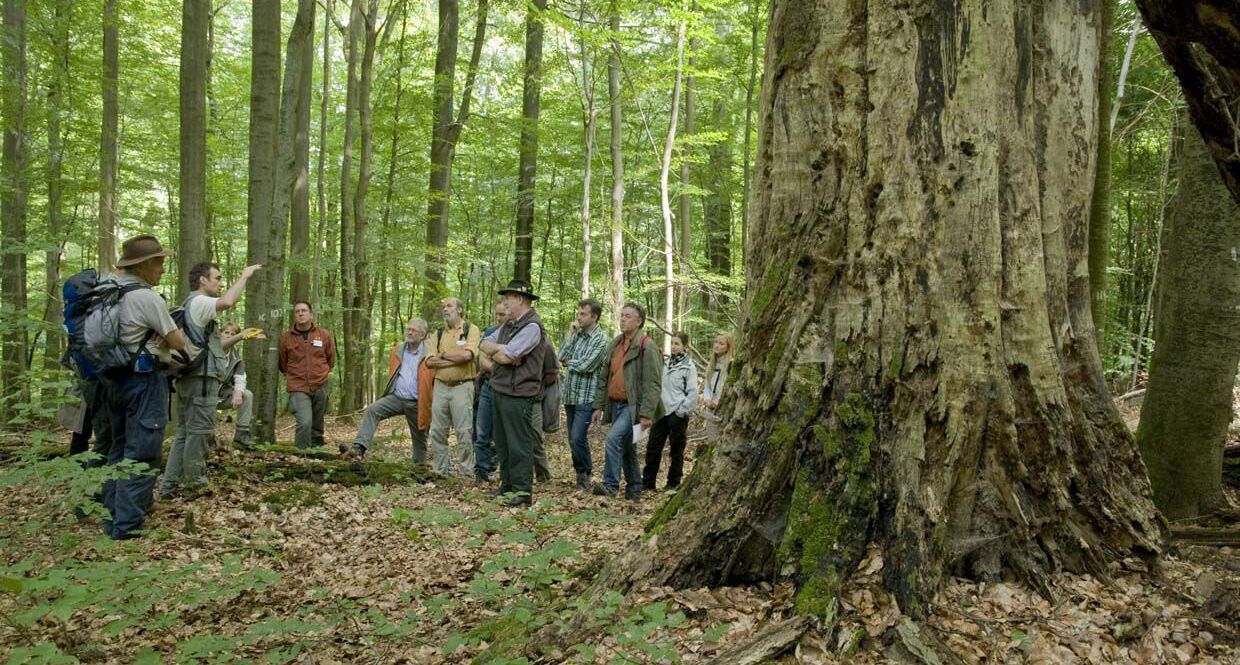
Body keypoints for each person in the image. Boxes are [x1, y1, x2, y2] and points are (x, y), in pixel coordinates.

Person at [100, 234, 187, 539]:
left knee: (118, 449)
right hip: (145, 380)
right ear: (146, 264)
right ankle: (128, 529)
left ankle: (111, 520)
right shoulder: (147, 297)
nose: (163, 268)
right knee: (143, 453)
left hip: (114, 380)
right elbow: (178, 341)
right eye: (160, 262)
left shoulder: (111, 292)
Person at [159, 262, 261, 499]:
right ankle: (195, 484)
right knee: (200, 432)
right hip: (201, 381)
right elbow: (227, 301)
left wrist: (239, 336)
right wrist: (244, 276)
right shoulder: (200, 302)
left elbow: (213, 346)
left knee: (184, 434)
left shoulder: (189, 304)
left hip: (187, 378)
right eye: (217, 278)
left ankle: (168, 487)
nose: (220, 282)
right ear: (203, 280)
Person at [479, 279, 547, 507]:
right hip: (500, 389)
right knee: (502, 443)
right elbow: (485, 344)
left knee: (519, 443)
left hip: (519, 394)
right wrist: (502, 352)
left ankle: (522, 491)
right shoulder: (509, 324)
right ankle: (507, 486)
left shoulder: (532, 327)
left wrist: (502, 354)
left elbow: (508, 356)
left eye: (508, 297)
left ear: (520, 299)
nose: (505, 302)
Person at [591, 303, 663, 501]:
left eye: (628, 316)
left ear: (639, 322)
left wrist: (647, 413)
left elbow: (653, 383)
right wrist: (598, 406)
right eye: (622, 315)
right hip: (615, 404)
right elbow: (604, 377)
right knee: (627, 448)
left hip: (633, 408)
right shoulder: (614, 344)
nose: (623, 319)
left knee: (613, 440)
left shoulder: (647, 346)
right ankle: (634, 490)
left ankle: (610, 486)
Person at [342, 318, 430, 461]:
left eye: (414, 330)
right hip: (397, 398)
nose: (409, 332)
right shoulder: (397, 350)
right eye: (408, 329)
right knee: (373, 409)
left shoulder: (429, 353)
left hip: (418, 402)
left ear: (423, 335)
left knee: (420, 439)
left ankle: (418, 469)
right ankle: (359, 448)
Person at [424, 297, 482, 478]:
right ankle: (441, 471)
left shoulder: (470, 330)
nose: (445, 309)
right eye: (443, 307)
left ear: (460, 310)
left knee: (464, 431)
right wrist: (453, 359)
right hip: (440, 387)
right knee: (438, 431)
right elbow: (429, 362)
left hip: (462, 387)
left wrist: (443, 355)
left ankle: (466, 473)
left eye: (449, 306)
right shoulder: (438, 333)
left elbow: (467, 357)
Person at [559, 298, 608, 490]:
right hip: (571, 395)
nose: (579, 317)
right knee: (573, 438)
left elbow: (587, 365)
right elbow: (560, 356)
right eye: (578, 313)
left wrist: (569, 362)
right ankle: (582, 474)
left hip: (587, 397)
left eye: (583, 314)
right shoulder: (577, 334)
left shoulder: (601, 339)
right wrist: (570, 334)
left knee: (577, 437)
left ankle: (584, 472)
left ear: (594, 317)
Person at [642, 331, 697, 491]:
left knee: (676, 450)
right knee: (653, 448)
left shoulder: (689, 366)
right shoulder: (664, 363)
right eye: (672, 343)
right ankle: (648, 483)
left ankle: (673, 483)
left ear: (685, 346)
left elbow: (692, 393)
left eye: (677, 344)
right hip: (660, 412)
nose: (673, 347)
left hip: (677, 413)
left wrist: (681, 410)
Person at [278, 301, 336, 449]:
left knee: (317, 422)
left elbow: (330, 358)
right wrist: (293, 375)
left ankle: (317, 451)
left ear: (311, 314)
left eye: (304, 310)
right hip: (297, 385)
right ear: (294, 316)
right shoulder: (286, 338)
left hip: (320, 383)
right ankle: (302, 455)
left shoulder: (323, 335)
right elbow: (282, 362)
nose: (300, 313)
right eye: (297, 311)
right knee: (304, 422)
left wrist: (321, 373)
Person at [473, 301, 509, 482]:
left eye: (502, 314)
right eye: (497, 314)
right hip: (488, 387)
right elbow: (483, 363)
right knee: (481, 432)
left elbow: (515, 361)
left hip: (508, 390)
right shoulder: (489, 333)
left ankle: (503, 472)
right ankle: (481, 471)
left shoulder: (518, 334)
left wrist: (493, 355)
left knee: (502, 435)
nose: (499, 318)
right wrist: (502, 360)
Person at [216, 322, 262, 448]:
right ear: (220, 334)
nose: (229, 336)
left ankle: (241, 434)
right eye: (226, 333)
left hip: (223, 397)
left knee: (247, 394)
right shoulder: (211, 348)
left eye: (233, 334)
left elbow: (240, 377)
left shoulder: (236, 357)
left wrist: (238, 391)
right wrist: (242, 335)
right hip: (204, 397)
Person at [701, 333, 733, 426]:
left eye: (721, 343)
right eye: (716, 342)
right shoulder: (711, 364)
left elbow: (728, 387)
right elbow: (707, 385)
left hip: (724, 409)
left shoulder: (731, 365)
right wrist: (707, 398)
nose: (717, 345)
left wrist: (719, 400)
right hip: (710, 408)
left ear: (728, 348)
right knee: (712, 437)